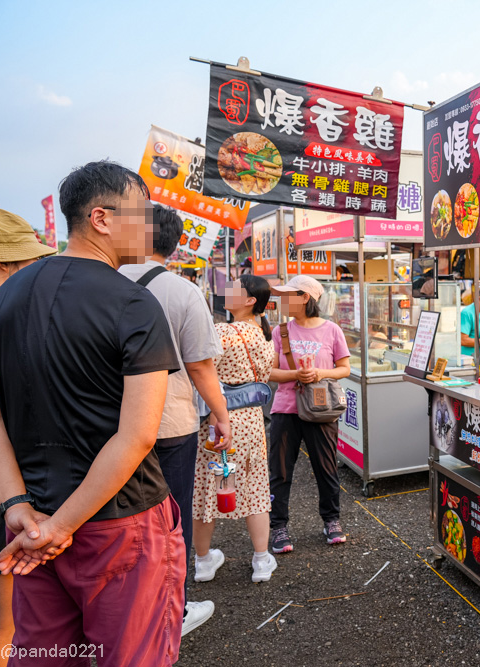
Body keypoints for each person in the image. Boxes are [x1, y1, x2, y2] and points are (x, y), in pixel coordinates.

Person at [0, 161, 185, 664]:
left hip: (33, 522)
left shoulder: (5, 298)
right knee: (133, 654)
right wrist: (61, 527)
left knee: (48, 655)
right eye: (142, 212)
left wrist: (16, 507)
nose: (152, 223)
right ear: (101, 218)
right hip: (120, 525)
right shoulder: (132, 303)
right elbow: (137, 437)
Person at [118, 205, 231, 636]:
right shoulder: (183, 293)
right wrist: (222, 418)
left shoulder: (103, 281)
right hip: (169, 424)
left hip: (108, 427)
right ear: (175, 242)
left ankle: (127, 607)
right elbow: (201, 367)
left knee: (118, 520)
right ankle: (174, 612)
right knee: (171, 518)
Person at [0, 209, 55, 667]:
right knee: (6, 620)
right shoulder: (9, 320)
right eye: (25, 263)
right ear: (2, 265)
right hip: (6, 484)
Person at [193, 275, 277, 583]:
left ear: (250, 300)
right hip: (253, 418)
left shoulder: (222, 331)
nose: (226, 292)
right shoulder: (265, 336)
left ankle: (202, 562)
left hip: (220, 418)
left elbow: (200, 368)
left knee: (206, 489)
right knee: (255, 488)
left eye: (234, 289)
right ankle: (261, 560)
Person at [267, 275, 351, 553]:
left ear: (305, 298)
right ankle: (278, 526)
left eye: (288, 295)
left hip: (321, 409)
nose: (282, 300)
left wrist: (319, 373)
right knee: (279, 471)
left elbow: (344, 368)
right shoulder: (280, 332)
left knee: (326, 468)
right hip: (285, 409)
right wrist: (296, 374)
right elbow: (269, 372)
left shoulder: (332, 330)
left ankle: (331, 520)